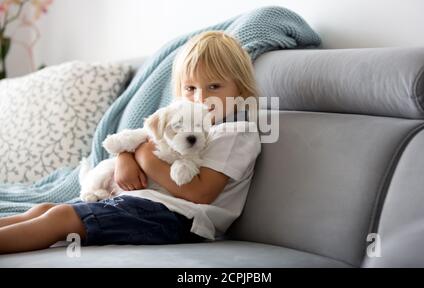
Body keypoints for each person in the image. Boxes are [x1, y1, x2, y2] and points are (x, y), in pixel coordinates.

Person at [0, 31, 262, 254]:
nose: (200, 98)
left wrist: (144, 158)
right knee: (47, 208)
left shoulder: (235, 132)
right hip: (140, 202)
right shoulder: (179, 121)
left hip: (179, 220)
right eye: (190, 88)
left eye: (214, 86)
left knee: (61, 218)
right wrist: (126, 157)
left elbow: (199, 193)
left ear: (241, 89)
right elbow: (138, 141)